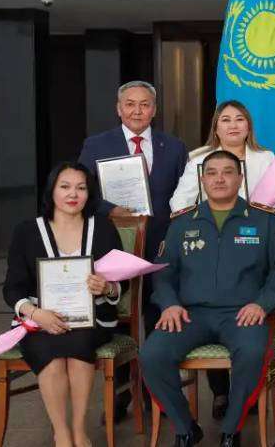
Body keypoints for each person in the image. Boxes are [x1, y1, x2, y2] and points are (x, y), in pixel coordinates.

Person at [141, 150, 275, 447]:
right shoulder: (182, 223)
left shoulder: (264, 220)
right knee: (152, 355)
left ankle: (231, 430)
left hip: (242, 314)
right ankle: (186, 428)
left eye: (227, 172)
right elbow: (162, 271)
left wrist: (261, 303)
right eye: (211, 173)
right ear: (202, 180)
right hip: (189, 314)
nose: (219, 179)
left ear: (240, 178)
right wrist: (169, 304)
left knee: (252, 353)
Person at [77, 79, 186, 419]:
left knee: (158, 315)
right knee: (119, 316)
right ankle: (121, 393)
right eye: (130, 104)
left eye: (145, 104)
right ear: (118, 108)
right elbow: (82, 191)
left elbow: (184, 195)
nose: (137, 111)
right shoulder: (96, 145)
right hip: (115, 243)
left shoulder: (174, 147)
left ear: (154, 110)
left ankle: (159, 393)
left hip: (161, 244)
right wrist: (110, 210)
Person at [168, 99, 275, 418]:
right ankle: (220, 392)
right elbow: (178, 203)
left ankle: (248, 389)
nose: (233, 125)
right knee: (209, 305)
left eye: (239, 119)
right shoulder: (198, 158)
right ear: (216, 127)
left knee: (250, 320)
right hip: (208, 246)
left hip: (253, 247)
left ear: (248, 126)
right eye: (226, 119)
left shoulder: (265, 158)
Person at [2, 162, 126, 447]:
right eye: (65, 186)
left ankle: (79, 430)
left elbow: (123, 281)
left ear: (89, 193)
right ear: (52, 191)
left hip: (92, 318)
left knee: (79, 342)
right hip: (39, 319)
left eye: (81, 188)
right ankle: (62, 433)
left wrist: (107, 287)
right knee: (49, 351)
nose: (73, 194)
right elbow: (12, 287)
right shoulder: (27, 231)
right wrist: (36, 314)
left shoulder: (103, 228)